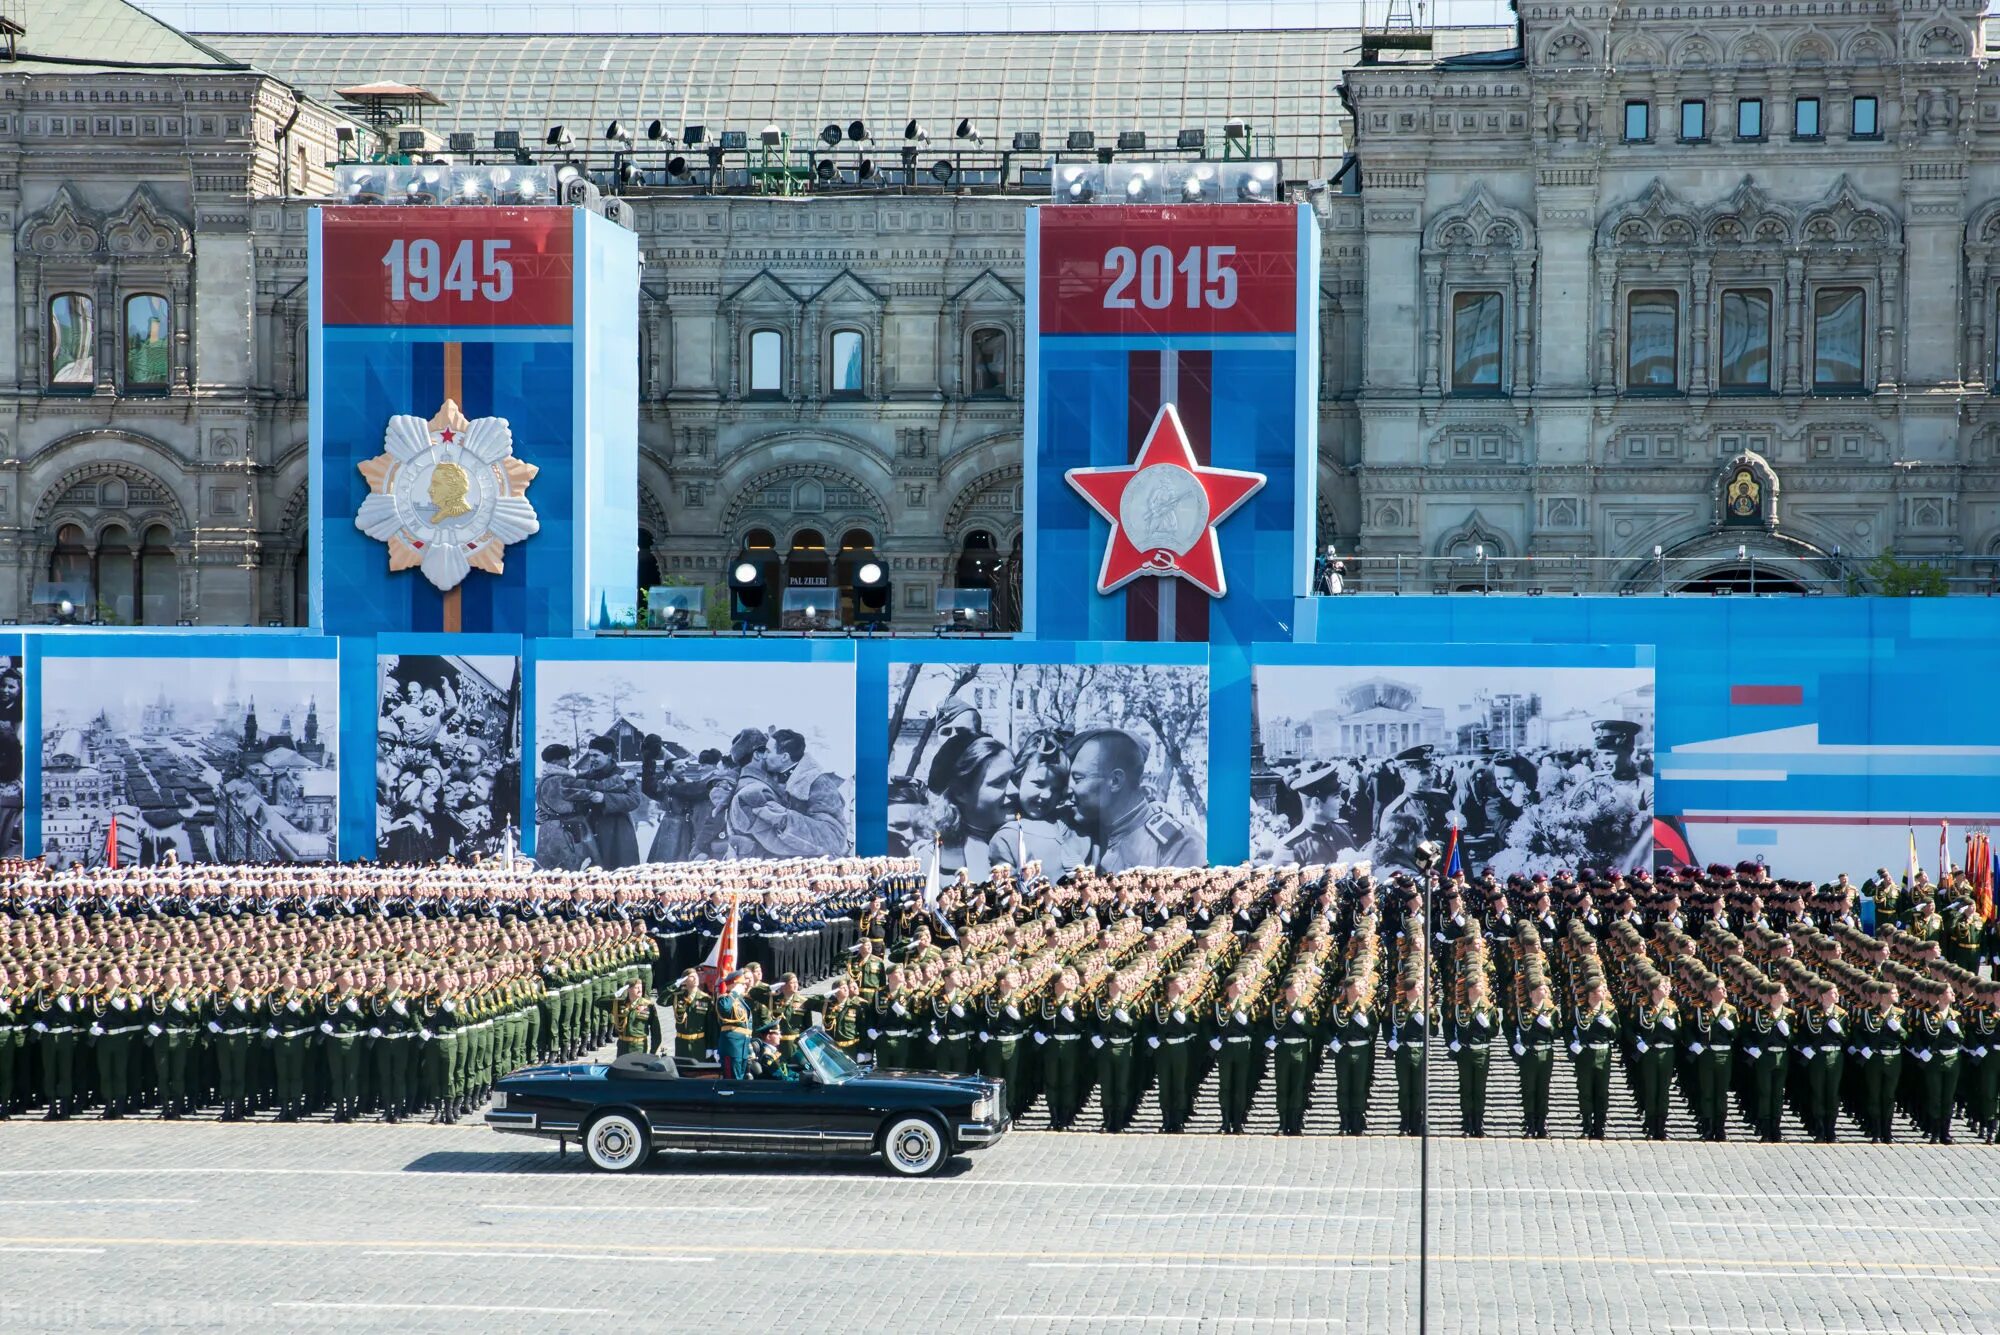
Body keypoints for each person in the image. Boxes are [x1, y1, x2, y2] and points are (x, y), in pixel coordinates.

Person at [1065, 728, 1204, 872]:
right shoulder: (1087, 836)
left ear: (1115, 781)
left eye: (1078, 779)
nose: (1068, 789)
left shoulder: (1178, 844)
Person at [715, 971, 753, 1079]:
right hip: (732, 1046)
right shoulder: (725, 998)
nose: (745, 986)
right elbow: (724, 1008)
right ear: (733, 984)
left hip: (743, 1046)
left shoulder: (741, 1001)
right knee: (732, 1078)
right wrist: (734, 992)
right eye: (742, 984)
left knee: (740, 1079)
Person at [608, 977, 658, 1057]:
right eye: (636, 988)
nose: (640, 990)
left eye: (640, 987)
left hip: (639, 1047)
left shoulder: (648, 1005)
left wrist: (652, 1053)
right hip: (623, 1047)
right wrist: (615, 994)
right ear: (628, 989)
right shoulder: (619, 1004)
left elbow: (656, 1032)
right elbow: (598, 1002)